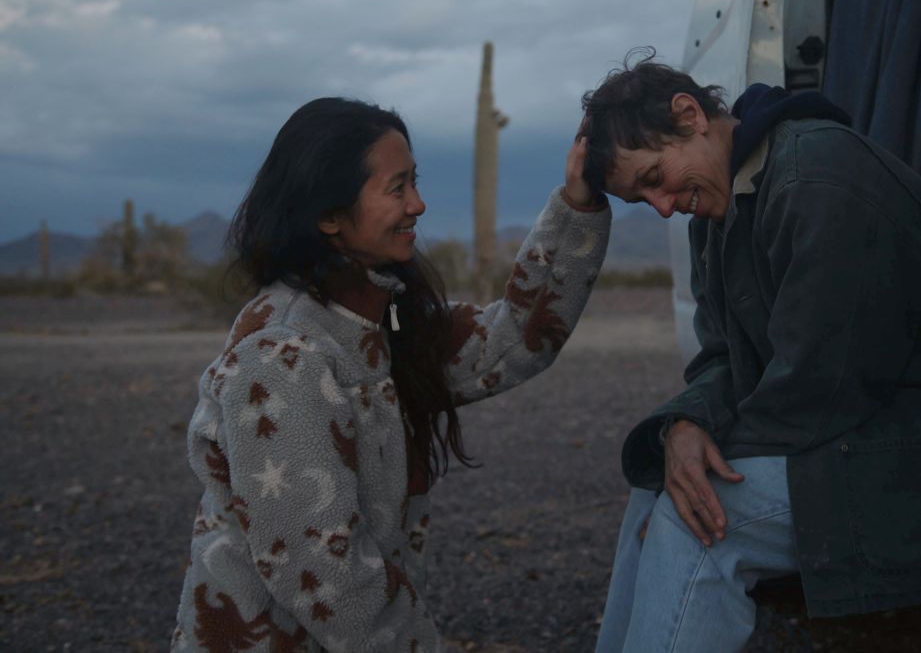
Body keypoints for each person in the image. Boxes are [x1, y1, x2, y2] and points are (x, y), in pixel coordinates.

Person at [582, 54, 921, 653]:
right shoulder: (718, 209)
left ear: (689, 115)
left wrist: (700, 452)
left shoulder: (818, 175)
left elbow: (824, 386)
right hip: (855, 432)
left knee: (696, 521)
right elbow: (721, 359)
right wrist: (685, 426)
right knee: (662, 483)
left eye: (655, 177)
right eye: (642, 199)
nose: (662, 206)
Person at [169, 97, 610, 652]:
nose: (418, 204)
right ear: (329, 214)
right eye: (397, 188)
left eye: (414, 183)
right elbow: (325, 577)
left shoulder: (380, 322)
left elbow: (513, 340)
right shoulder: (282, 355)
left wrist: (578, 204)